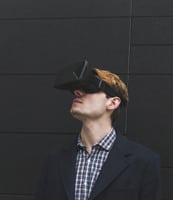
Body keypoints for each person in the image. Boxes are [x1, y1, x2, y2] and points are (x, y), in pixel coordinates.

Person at [34, 60, 161, 200]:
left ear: (113, 102)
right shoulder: (55, 159)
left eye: (89, 88)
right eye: (75, 89)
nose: (77, 92)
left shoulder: (143, 161)